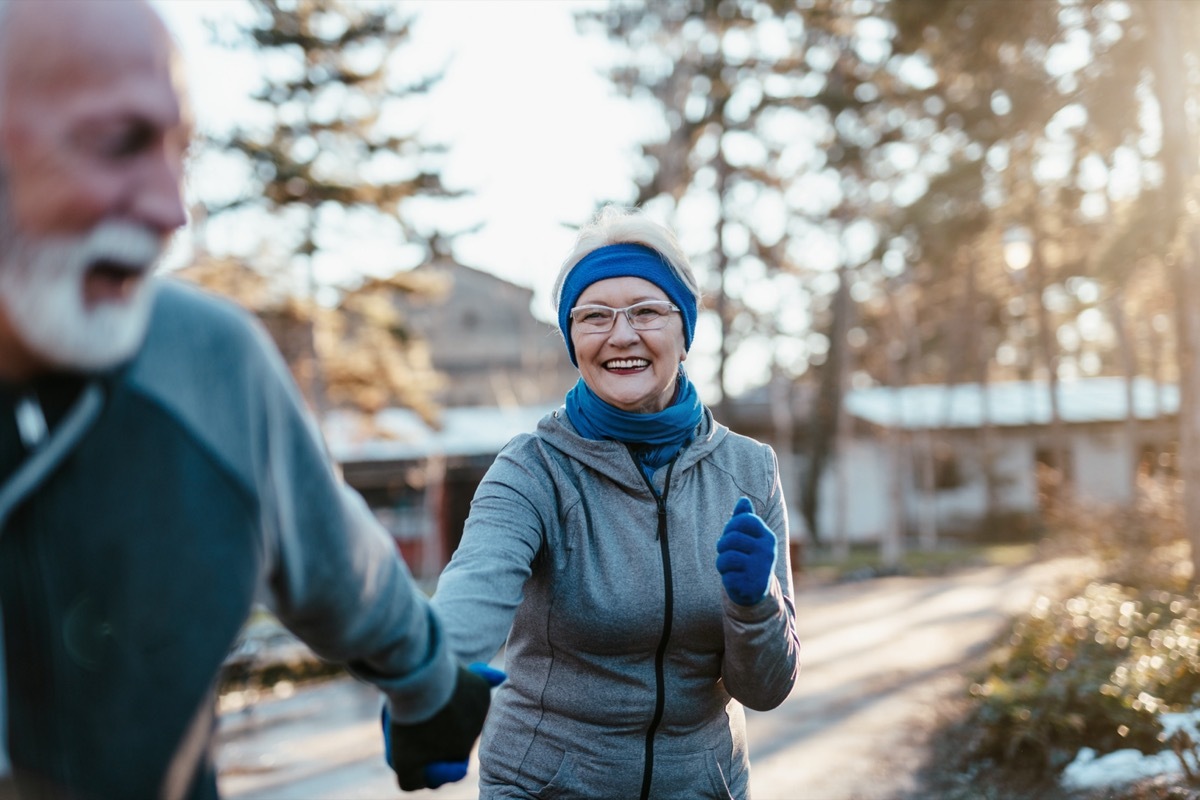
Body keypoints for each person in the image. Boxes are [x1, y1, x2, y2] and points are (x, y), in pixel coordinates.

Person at [0, 1, 495, 797]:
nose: (172, 212)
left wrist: (435, 688)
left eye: (179, 152)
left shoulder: (207, 362)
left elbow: (344, 569)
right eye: (119, 143)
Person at [430, 205, 801, 799]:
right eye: (594, 316)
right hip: (547, 786)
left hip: (702, 785)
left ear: (685, 331)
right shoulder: (532, 469)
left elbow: (765, 690)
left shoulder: (749, 470)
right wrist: (428, 688)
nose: (621, 335)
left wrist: (755, 604)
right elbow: (474, 587)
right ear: (573, 338)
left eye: (647, 312)